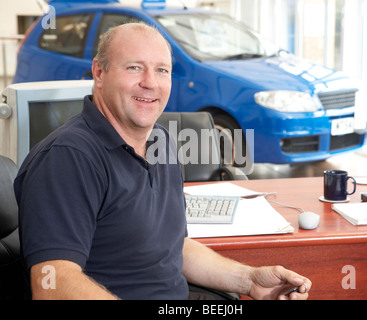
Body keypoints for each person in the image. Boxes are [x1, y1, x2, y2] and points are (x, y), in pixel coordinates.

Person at [14, 23, 311, 300]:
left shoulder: (161, 141)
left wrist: (249, 280)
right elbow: (51, 282)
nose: (150, 83)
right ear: (99, 73)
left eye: (162, 70)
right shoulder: (68, 157)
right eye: (134, 68)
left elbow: (174, 248)